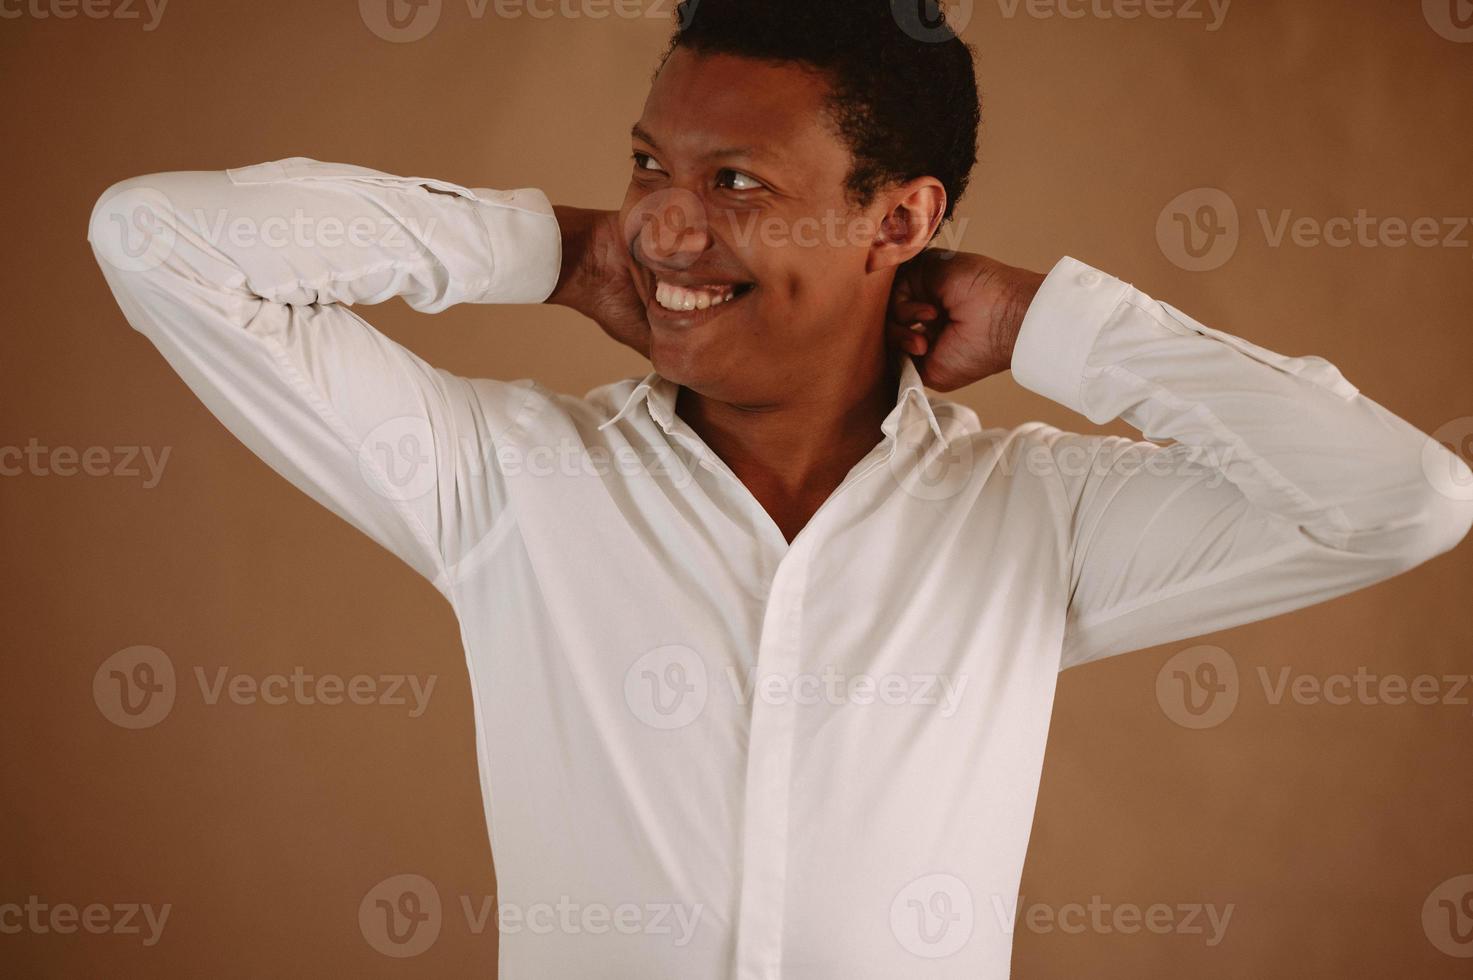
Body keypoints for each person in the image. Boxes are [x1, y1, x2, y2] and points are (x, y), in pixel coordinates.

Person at [86, 2, 1472, 977]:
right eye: (648, 166)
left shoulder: (1031, 523)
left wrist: (1057, 326)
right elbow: (158, 240)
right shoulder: (507, 481)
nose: (667, 225)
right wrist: (552, 252)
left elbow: (1403, 500)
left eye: (735, 179)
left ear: (901, 220)